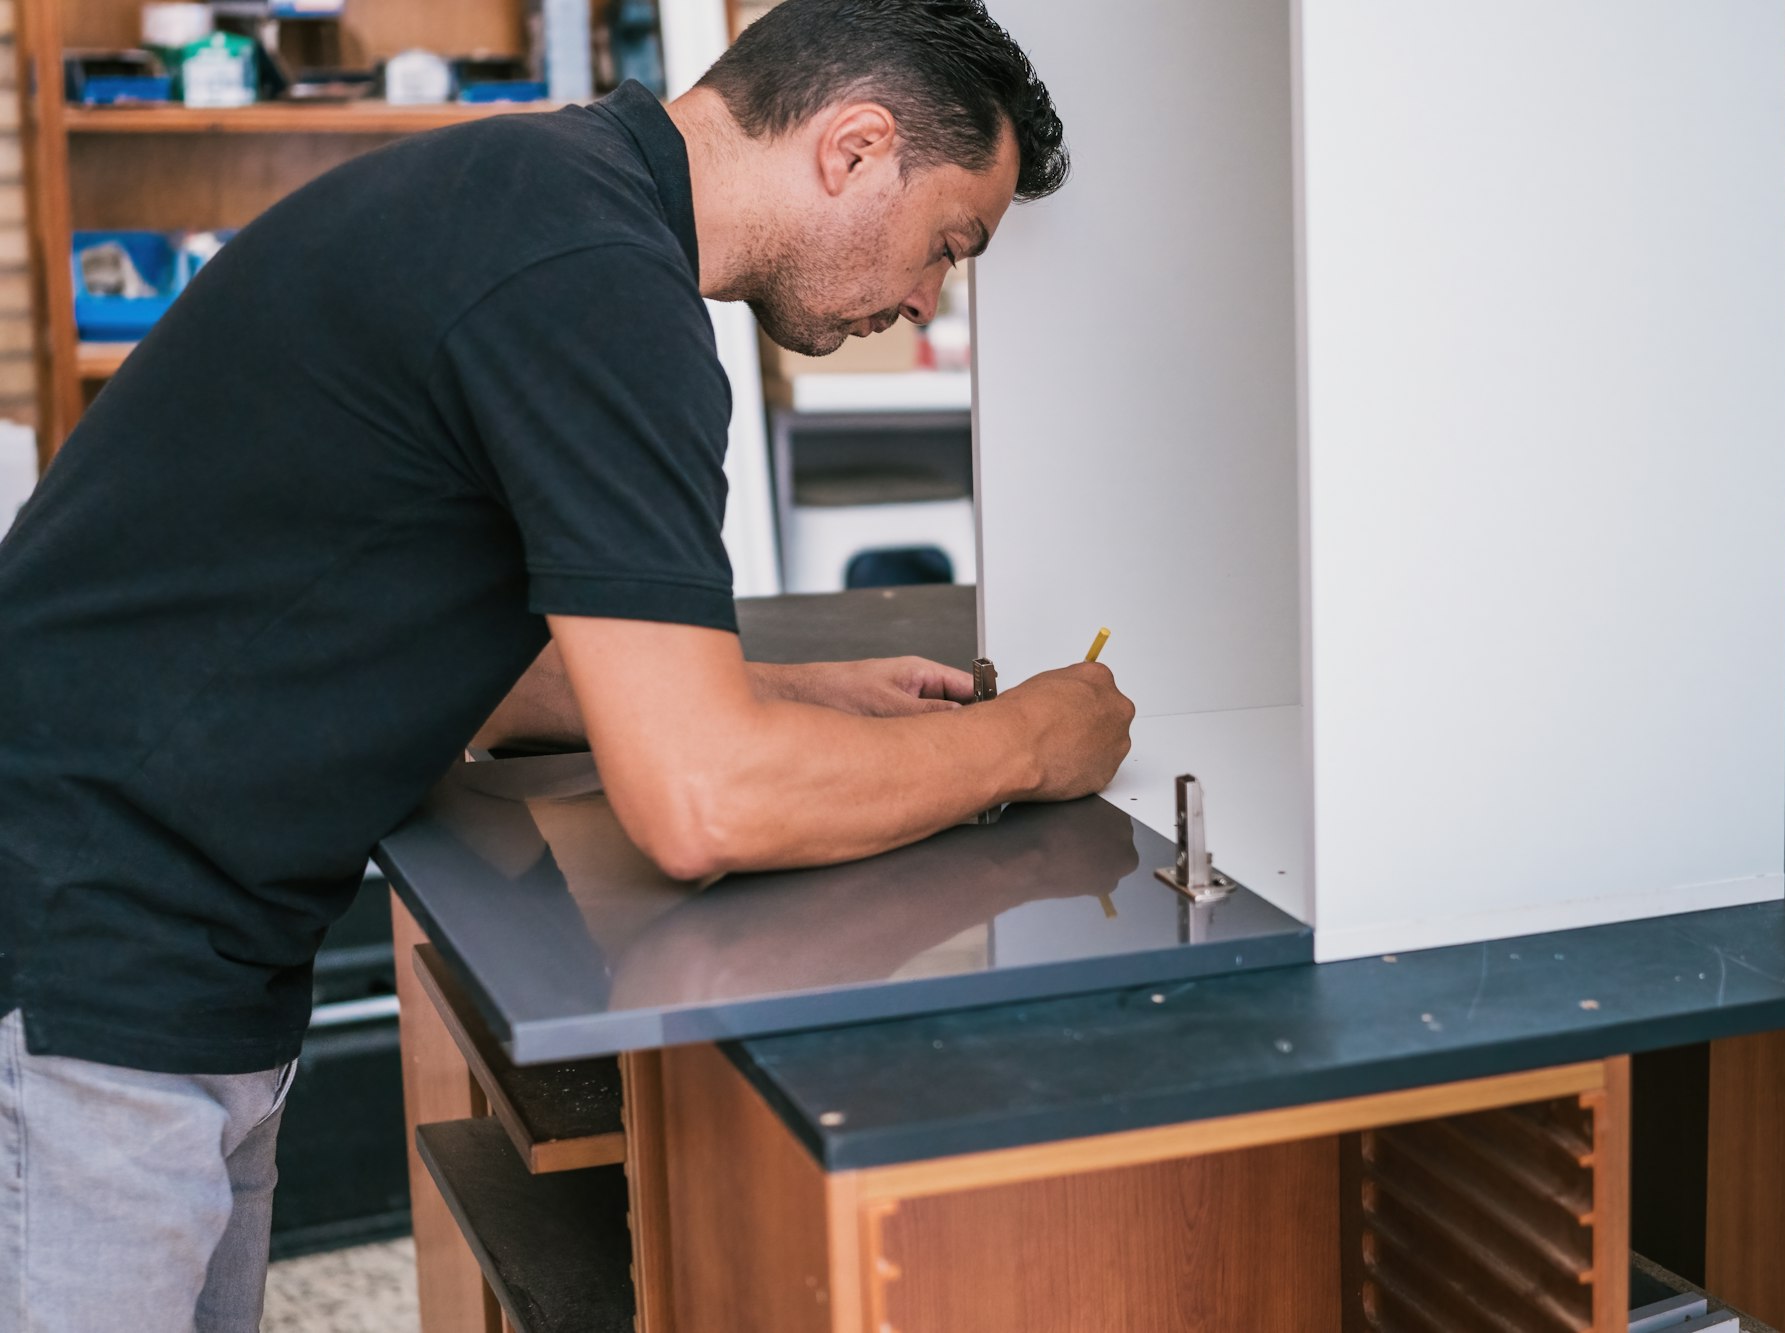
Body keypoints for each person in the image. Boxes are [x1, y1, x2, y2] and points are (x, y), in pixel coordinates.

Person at [0, 0, 1133, 1326]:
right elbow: (701, 804)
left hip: (169, 959)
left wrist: (771, 690)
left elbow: (395, 636)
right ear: (857, 146)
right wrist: (1034, 742)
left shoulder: (546, 194)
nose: (925, 299)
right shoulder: (598, 277)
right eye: (946, 243)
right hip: (80, 966)